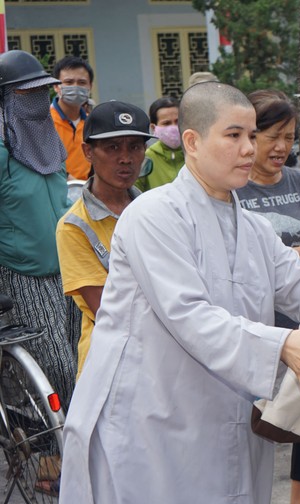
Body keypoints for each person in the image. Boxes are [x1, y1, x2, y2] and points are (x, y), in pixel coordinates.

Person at [53, 81, 300, 504]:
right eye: (232, 135)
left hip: (219, 424)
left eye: (252, 136)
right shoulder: (152, 216)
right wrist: (281, 342)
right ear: (190, 140)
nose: (249, 150)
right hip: (147, 427)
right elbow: (187, 313)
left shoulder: (251, 226)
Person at [237, 89, 300, 504]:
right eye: (272, 136)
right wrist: (298, 256)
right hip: (255, 327)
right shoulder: (234, 189)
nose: (280, 147)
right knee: (247, 430)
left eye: (288, 137)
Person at [0, 50, 77, 408]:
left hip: (69, 269)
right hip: (23, 274)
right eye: (23, 93)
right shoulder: (2, 146)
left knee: (83, 360)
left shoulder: (47, 138)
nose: (35, 100)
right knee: (57, 369)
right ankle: (54, 450)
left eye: (41, 91)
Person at [56, 101, 153, 377]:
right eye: (113, 148)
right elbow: (107, 312)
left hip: (165, 354)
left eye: (135, 147)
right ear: (88, 152)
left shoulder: (156, 210)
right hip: (113, 362)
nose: (126, 158)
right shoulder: (74, 226)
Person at [50, 55, 94, 180]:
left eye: (82, 82)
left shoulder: (92, 123)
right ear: (56, 86)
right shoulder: (44, 122)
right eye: (69, 82)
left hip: (85, 193)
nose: (75, 87)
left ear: (90, 86)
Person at [135, 96, 184, 191]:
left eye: (177, 121)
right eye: (167, 123)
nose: (174, 128)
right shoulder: (145, 158)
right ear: (153, 128)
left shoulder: (197, 155)